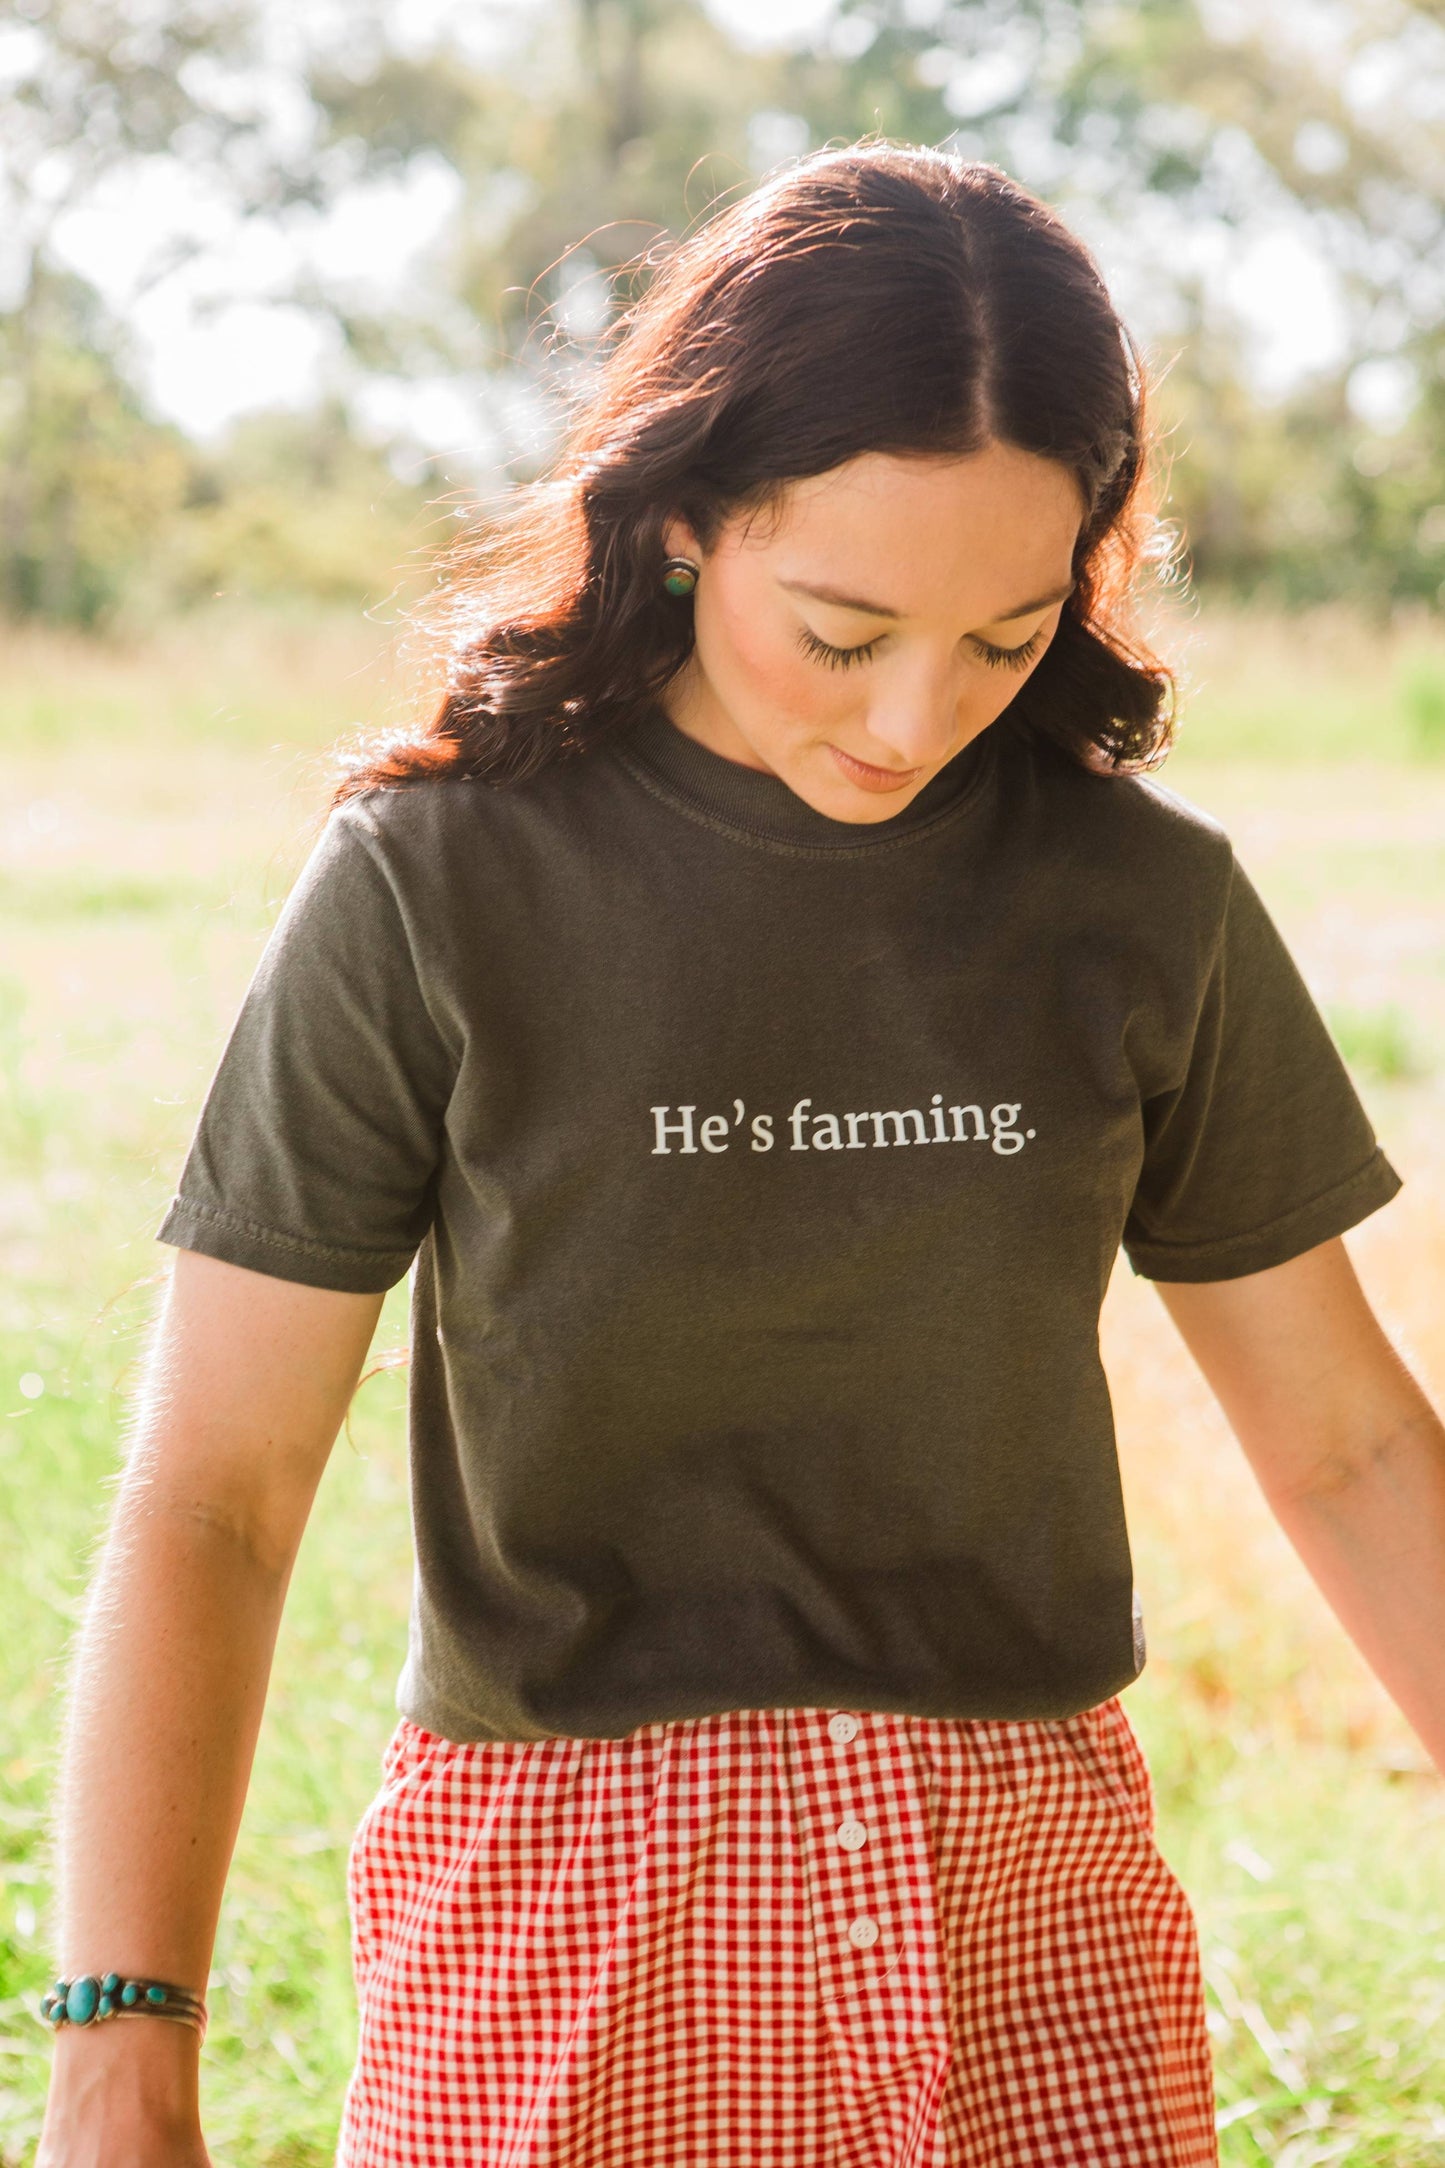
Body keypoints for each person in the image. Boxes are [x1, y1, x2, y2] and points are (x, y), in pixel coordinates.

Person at [36, 141, 1445, 2168]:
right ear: (684, 512)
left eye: (1005, 636)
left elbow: (1353, 1450)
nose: (912, 721)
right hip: (563, 1922)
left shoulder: (1144, 903)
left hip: (1020, 1912)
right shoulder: (435, 887)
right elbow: (216, 1496)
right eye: (843, 630)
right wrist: (120, 2058)